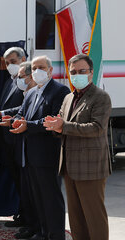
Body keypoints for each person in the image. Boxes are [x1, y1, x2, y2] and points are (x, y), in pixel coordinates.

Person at [43, 54, 112, 240]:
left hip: (90, 167)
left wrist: (62, 126)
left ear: (91, 73)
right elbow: (61, 122)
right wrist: (54, 125)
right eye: (73, 72)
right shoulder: (68, 98)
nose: (77, 75)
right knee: (76, 218)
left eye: (82, 71)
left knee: (94, 217)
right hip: (69, 166)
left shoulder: (100, 97)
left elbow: (97, 128)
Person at [9, 56, 70, 240]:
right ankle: (43, 233)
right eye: (34, 68)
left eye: (41, 67)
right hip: (29, 155)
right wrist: (12, 121)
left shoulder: (60, 91)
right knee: (38, 198)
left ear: (50, 70)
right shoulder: (31, 93)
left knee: (51, 198)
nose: (36, 71)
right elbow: (21, 114)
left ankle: (56, 235)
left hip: (47, 155)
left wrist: (28, 125)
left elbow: (51, 120)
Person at [0, 61, 39, 239]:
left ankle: (39, 228)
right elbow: (20, 113)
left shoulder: (47, 92)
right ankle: (31, 225)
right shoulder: (28, 93)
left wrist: (20, 122)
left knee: (38, 194)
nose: (19, 79)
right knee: (27, 191)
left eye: (22, 77)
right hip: (23, 149)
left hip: (37, 153)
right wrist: (5, 117)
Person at [0, 46, 26, 228]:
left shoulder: (27, 81)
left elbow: (25, 108)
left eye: (13, 62)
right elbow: (6, 106)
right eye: (7, 63)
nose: (10, 66)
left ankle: (28, 217)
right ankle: (22, 214)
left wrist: (2, 113)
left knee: (24, 180)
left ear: (23, 60)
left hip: (20, 138)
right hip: (7, 138)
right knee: (17, 179)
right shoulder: (9, 81)